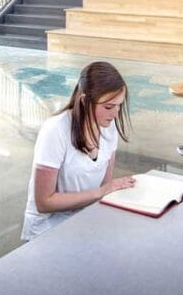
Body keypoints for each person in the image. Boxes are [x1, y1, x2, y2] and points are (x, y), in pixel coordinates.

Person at [21, 61, 135, 240]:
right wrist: (101, 192)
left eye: (119, 105)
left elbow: (105, 188)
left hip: (83, 220)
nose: (115, 114)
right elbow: (44, 202)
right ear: (84, 100)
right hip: (47, 228)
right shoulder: (55, 130)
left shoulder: (109, 129)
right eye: (108, 106)